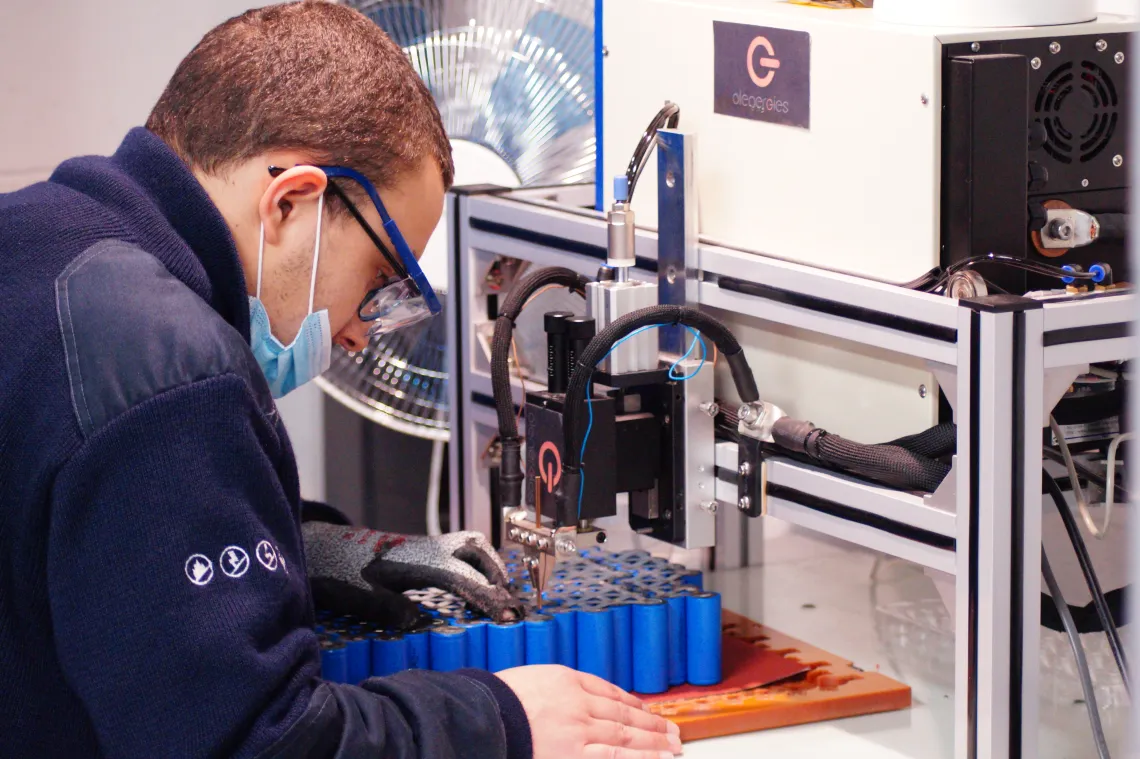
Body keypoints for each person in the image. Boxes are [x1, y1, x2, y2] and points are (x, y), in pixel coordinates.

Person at [0, 3, 683, 758]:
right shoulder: (173, 375)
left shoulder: (33, 237)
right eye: (380, 279)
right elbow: (259, 744)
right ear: (290, 202)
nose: (361, 331)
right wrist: (503, 721)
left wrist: (305, 547)